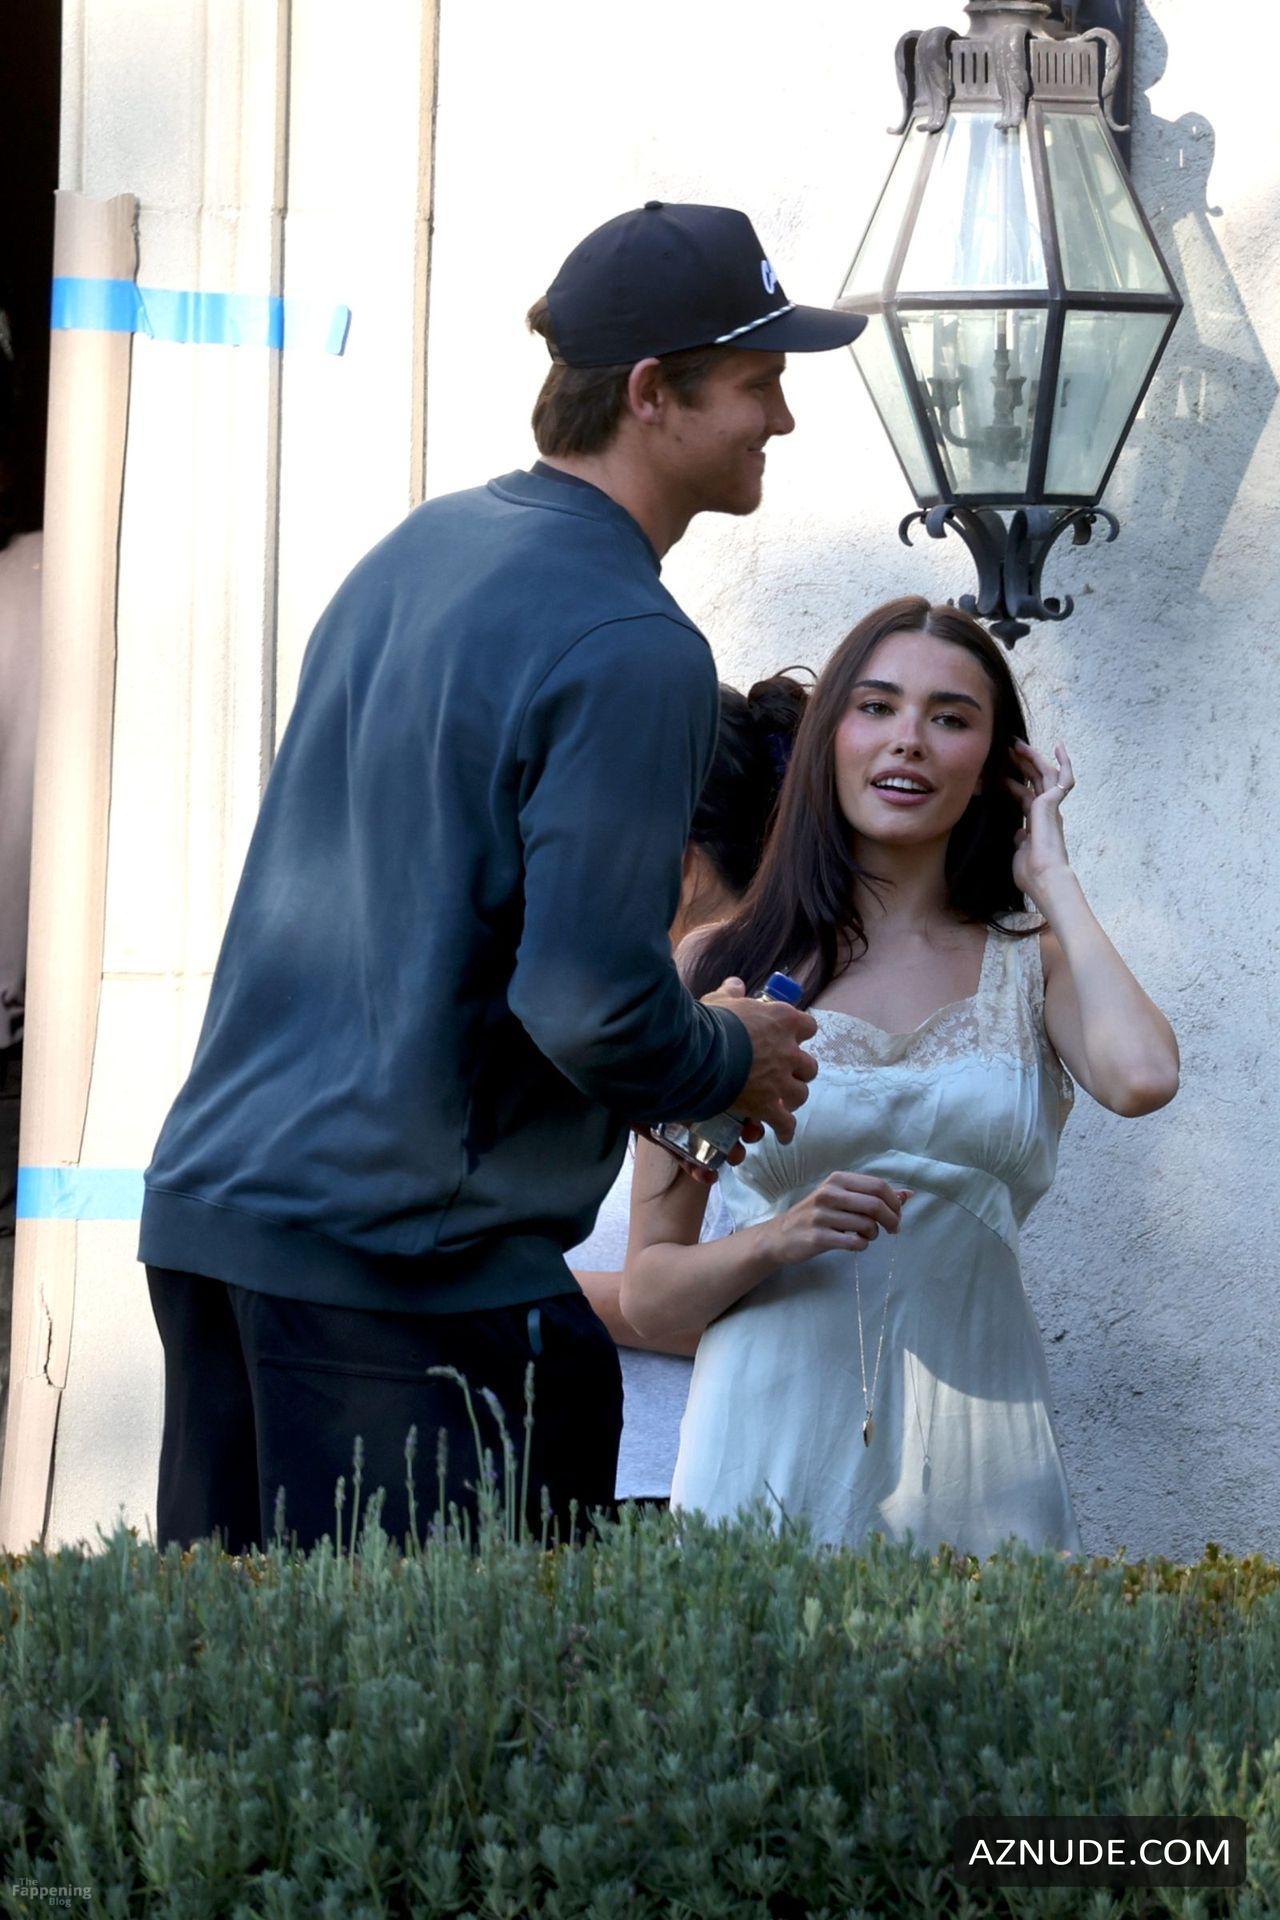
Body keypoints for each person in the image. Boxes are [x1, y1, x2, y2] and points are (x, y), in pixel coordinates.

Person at [139, 202, 866, 1553]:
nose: (781, 419)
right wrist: (730, 1054)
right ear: (650, 393)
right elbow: (589, 1003)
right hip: (400, 1277)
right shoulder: (633, 640)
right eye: (757, 383)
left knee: (237, 1674)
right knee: (453, 1691)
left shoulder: (420, 549)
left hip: (215, 1229)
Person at [621, 596, 1180, 1555]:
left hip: (983, 1468)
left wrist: (1053, 880)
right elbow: (650, 1292)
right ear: (829, 739)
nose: (909, 740)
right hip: (762, 1451)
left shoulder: (1031, 962)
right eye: (876, 707)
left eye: (950, 718)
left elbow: (1143, 1077)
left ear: (995, 765)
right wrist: (776, 1239)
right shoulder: (722, 965)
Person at [571, 670, 809, 1509]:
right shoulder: (641, 1007)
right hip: (608, 1463)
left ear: (680, 858)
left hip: (681, 1478)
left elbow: (752, 1299)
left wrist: (502, 1287)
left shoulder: (749, 1015)